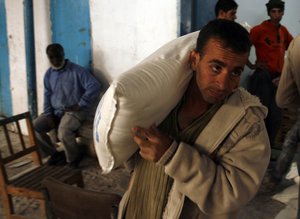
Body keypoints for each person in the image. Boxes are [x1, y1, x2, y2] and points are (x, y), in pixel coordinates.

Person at [117, 19, 270, 219]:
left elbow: (230, 196)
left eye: (235, 72)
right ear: (195, 60)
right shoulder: (163, 97)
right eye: (216, 67)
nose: (224, 84)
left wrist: (172, 155)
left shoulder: (248, 123)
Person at [33, 43, 101, 168]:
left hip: (74, 111)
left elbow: (94, 85)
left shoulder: (77, 71)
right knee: (35, 126)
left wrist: (81, 104)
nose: (55, 60)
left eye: (58, 56)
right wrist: (48, 115)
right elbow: (47, 95)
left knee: (63, 132)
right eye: (51, 57)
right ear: (48, 57)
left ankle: (72, 159)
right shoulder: (49, 74)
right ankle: (54, 154)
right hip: (56, 111)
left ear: (63, 54)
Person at [247, 0, 293, 150]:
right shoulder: (259, 30)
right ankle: (257, 150)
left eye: (280, 12)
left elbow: (292, 50)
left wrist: (285, 74)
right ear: (268, 13)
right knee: (261, 115)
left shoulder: (283, 31)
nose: (277, 15)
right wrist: (251, 65)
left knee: (277, 116)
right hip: (263, 77)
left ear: (283, 12)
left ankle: (269, 149)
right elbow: (242, 46)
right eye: (274, 11)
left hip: (278, 79)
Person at [266, 36, 300, 190]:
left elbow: (283, 99)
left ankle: (276, 176)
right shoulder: (262, 31)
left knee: (291, 139)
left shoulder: (295, 43)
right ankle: (276, 176)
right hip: (267, 74)